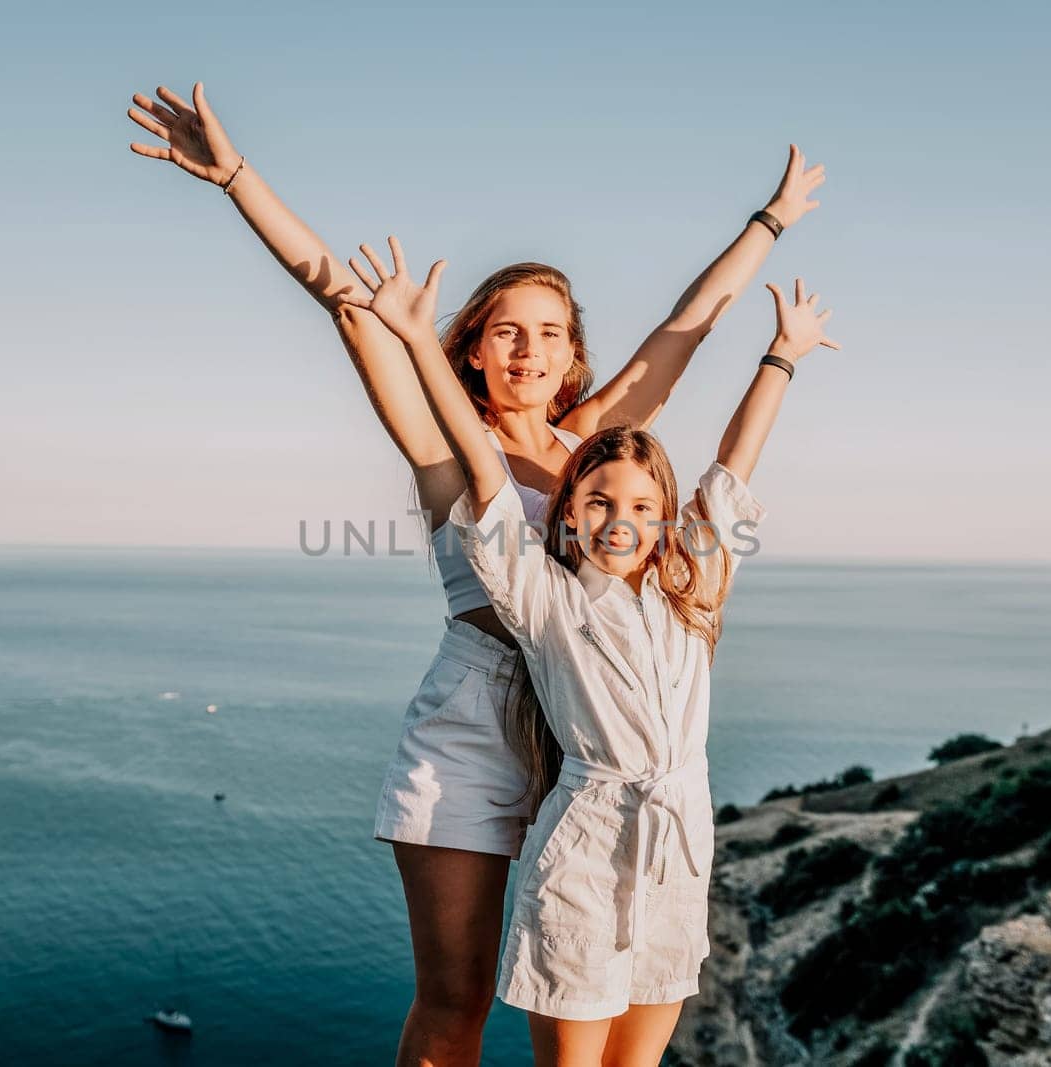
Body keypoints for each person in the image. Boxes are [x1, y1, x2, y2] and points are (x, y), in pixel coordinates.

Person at [126, 82, 825, 1065]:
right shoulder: (449, 451)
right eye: (505, 329)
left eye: (547, 330)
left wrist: (772, 220)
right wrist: (237, 176)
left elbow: (690, 322)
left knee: (592, 976)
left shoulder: (595, 454)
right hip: (473, 726)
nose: (527, 347)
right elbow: (346, 303)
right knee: (453, 1003)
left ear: (575, 354)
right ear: (470, 349)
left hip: (587, 739)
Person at [345, 236, 838, 1066]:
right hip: (580, 834)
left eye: (645, 505)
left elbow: (732, 463)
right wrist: (421, 340)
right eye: (599, 500)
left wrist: (781, 355)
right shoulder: (543, 597)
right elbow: (482, 464)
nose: (621, 517)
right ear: (562, 517)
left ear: (668, 519)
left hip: (677, 842)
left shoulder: (692, 588)